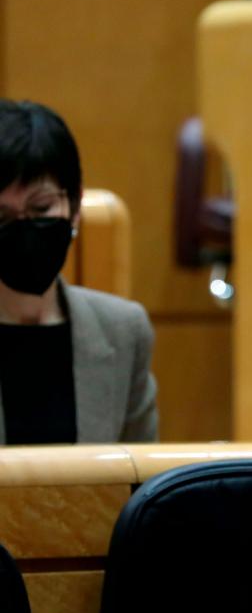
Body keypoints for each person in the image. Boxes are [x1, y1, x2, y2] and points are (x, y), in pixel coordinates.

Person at [0, 100, 156, 444]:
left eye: (41, 207)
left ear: (73, 208)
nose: (24, 226)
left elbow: (142, 470)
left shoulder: (124, 330)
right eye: (2, 217)